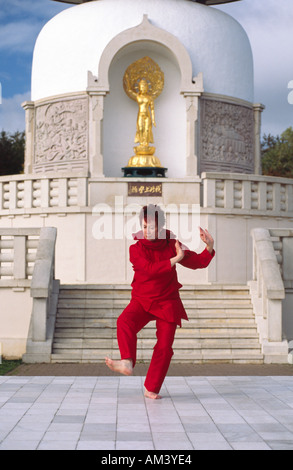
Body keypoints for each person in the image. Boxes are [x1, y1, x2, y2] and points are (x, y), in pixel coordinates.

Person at [105, 204, 215, 399]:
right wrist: (175, 259)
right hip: (143, 299)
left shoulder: (172, 245)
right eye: (145, 226)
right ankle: (127, 362)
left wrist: (209, 246)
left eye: (153, 227)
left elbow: (197, 262)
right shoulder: (135, 248)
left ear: (162, 227)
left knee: (164, 347)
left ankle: (152, 388)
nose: (148, 231)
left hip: (167, 301)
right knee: (124, 322)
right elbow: (148, 269)